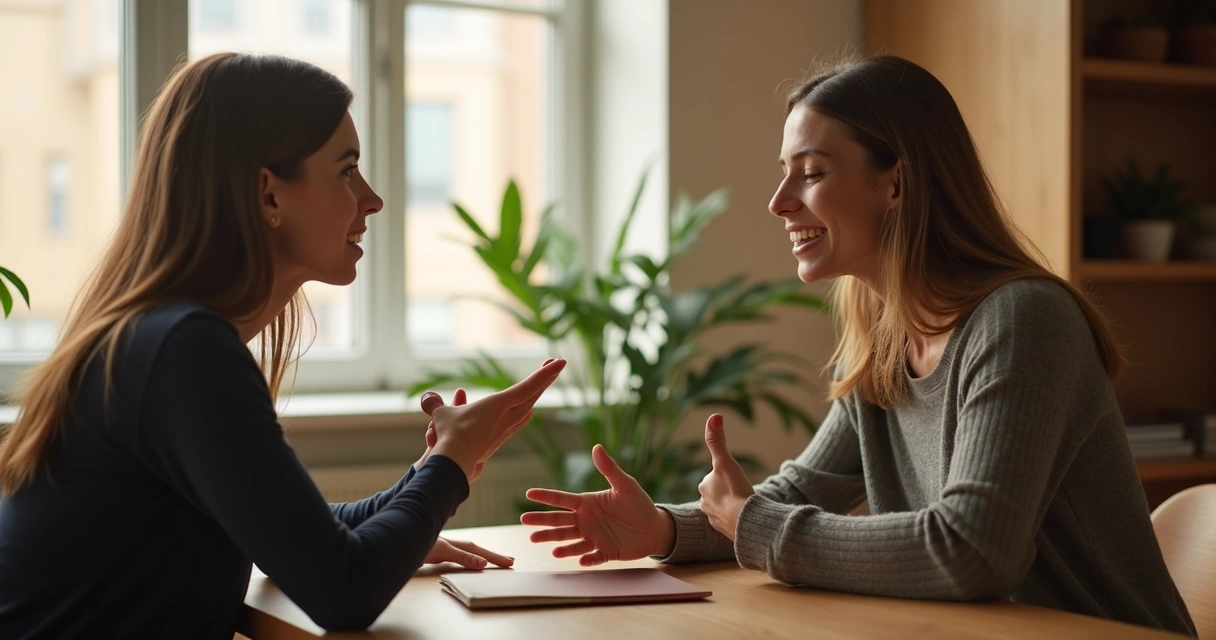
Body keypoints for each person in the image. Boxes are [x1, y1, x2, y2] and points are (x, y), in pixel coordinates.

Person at [521, 55, 1196, 636]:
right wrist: (666, 531)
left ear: (895, 183)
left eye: (810, 172)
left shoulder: (1021, 320)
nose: (779, 202)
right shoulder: (882, 340)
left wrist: (755, 526)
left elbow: (972, 550)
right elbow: (794, 493)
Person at [0, 52, 566, 639]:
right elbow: (344, 590)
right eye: (347, 171)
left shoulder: (157, 338)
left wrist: (426, 479)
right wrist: (448, 465)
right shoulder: (183, 351)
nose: (371, 199)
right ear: (268, 195)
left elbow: (292, 535)